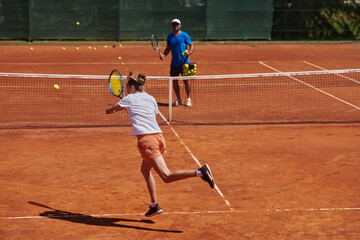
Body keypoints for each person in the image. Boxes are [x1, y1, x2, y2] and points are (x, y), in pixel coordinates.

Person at [106, 72, 214, 217]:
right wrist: (126, 106)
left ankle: (200, 172)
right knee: (145, 171)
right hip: (159, 138)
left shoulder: (128, 98)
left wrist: (121, 106)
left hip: (147, 141)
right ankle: (154, 205)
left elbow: (108, 111)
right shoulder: (150, 98)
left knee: (166, 176)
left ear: (131, 87)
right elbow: (146, 112)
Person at [160, 18, 194, 107]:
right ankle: (178, 99)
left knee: (186, 81)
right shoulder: (169, 37)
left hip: (185, 63)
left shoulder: (184, 35)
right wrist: (163, 55)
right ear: (172, 25)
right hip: (174, 64)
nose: (175, 26)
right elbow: (168, 48)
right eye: (174, 24)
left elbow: (191, 44)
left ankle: (188, 98)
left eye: (177, 24)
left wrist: (190, 51)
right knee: (174, 82)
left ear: (180, 25)